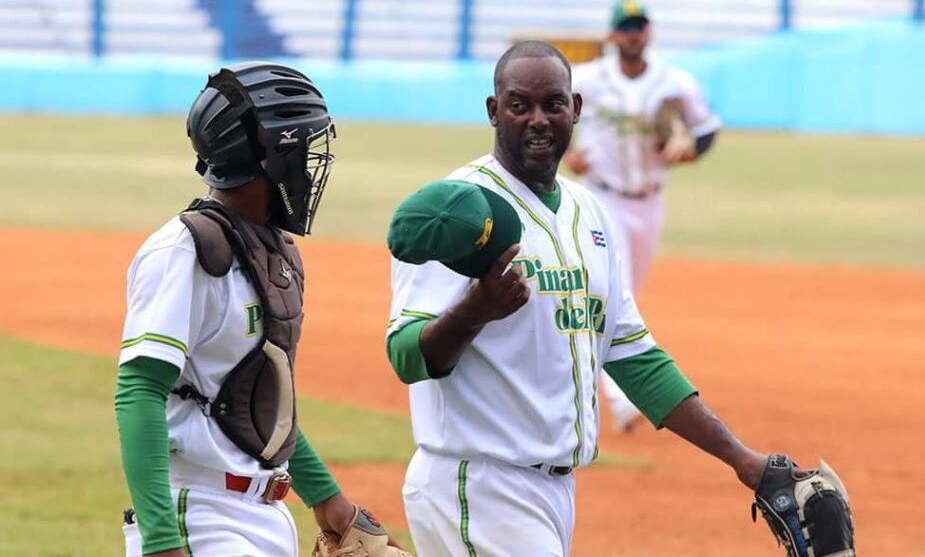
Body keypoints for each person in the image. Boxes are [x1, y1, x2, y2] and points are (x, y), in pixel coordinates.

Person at [384, 41, 770, 557]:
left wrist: (744, 461)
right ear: (494, 112)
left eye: (554, 104)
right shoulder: (460, 213)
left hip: (554, 493)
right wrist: (476, 308)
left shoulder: (589, 214)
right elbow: (406, 355)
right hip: (480, 486)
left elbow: (636, 359)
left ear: (577, 108)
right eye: (520, 105)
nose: (538, 120)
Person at [115, 62, 404, 556]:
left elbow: (257, 404)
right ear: (272, 154)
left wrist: (328, 499)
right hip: (200, 515)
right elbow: (139, 389)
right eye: (305, 148)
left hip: (264, 514)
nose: (313, 165)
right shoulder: (183, 252)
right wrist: (164, 542)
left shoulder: (268, 250)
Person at [565, 0, 723, 432]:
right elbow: (551, 113)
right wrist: (567, 154)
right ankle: (621, 398)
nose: (633, 33)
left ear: (648, 33)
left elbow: (707, 129)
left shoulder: (674, 83)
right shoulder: (589, 80)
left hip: (650, 201)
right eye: (626, 26)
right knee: (618, 291)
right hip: (602, 198)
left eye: (639, 26)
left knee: (625, 291)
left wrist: (686, 150)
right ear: (613, 35)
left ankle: (606, 386)